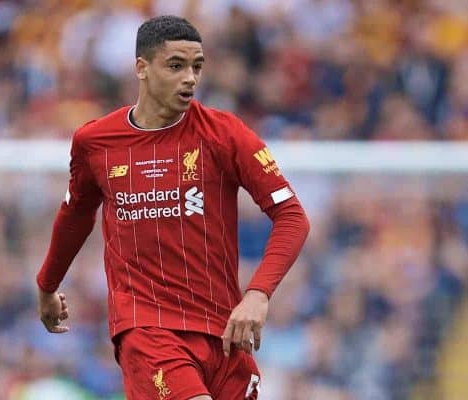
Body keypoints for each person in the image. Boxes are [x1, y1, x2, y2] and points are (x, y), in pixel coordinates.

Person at [35, 15, 310, 400]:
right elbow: (77, 214)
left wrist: (258, 294)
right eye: (176, 66)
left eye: (197, 67)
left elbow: (292, 216)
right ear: (141, 68)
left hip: (225, 333)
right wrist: (48, 283)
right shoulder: (95, 142)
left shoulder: (224, 134)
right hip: (148, 331)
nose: (190, 79)